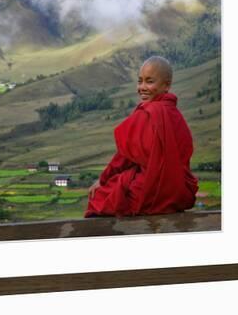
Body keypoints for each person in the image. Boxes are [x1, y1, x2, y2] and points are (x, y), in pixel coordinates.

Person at [84, 56, 198, 217]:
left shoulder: (148, 113)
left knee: (99, 199)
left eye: (149, 82)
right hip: (179, 194)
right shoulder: (176, 115)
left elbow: (123, 158)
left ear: (166, 85)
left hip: (150, 194)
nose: (142, 87)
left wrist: (102, 181)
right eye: (140, 81)